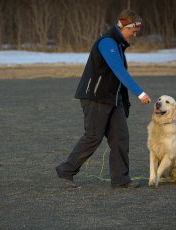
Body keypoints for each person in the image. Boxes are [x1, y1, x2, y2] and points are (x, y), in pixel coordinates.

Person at [55, 9, 152, 189]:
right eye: (134, 29)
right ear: (124, 26)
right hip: (95, 98)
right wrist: (139, 93)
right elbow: (119, 71)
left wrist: (124, 101)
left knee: (120, 138)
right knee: (93, 137)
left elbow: (117, 78)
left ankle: (121, 179)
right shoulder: (107, 42)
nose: (136, 33)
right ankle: (66, 170)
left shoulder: (119, 44)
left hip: (113, 100)